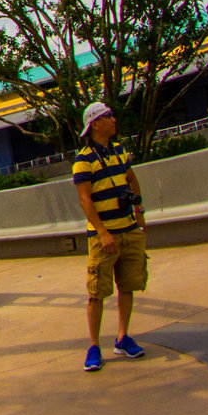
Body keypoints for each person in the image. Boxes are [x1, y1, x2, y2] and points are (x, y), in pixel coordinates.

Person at [72, 102, 148, 372]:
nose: (113, 120)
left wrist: (139, 215)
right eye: (107, 117)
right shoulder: (83, 159)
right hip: (103, 236)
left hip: (128, 229)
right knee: (97, 292)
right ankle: (94, 346)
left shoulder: (119, 151)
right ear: (95, 124)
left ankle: (122, 336)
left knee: (128, 285)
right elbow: (85, 199)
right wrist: (102, 232)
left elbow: (131, 180)